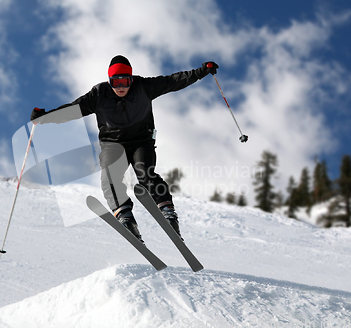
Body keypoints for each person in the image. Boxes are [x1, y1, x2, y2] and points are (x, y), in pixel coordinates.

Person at [31, 55, 218, 242]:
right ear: (109, 81)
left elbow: (173, 81)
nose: (121, 87)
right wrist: (45, 117)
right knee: (109, 177)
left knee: (145, 173)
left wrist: (202, 72)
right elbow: (73, 110)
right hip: (112, 144)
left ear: (132, 78)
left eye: (125, 81)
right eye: (115, 82)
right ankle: (124, 214)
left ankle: (167, 211)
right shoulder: (99, 94)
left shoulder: (143, 86)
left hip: (141, 141)